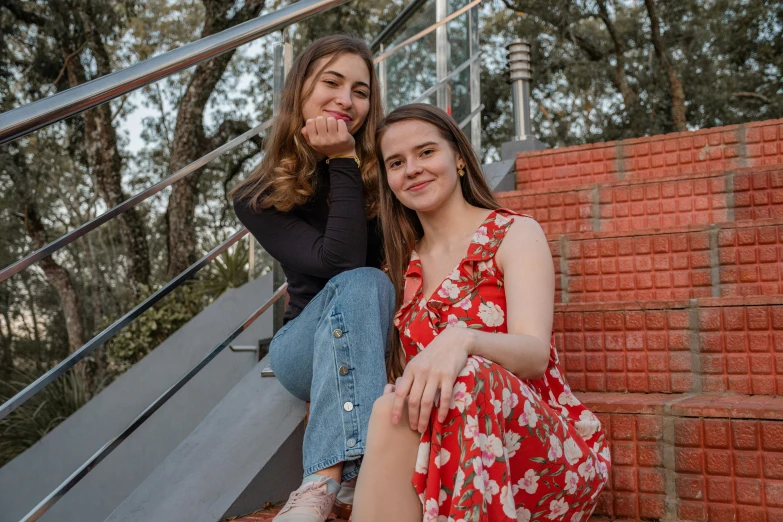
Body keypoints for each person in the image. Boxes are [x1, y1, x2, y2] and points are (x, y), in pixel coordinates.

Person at [352, 104, 610, 522]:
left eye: (426, 152)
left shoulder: (513, 233)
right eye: (396, 163)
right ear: (388, 180)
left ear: (457, 156)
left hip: (542, 455)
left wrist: (463, 338)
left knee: (467, 375)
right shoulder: (399, 270)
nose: (412, 169)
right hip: (441, 451)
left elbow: (533, 354)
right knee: (390, 406)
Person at [231, 35, 394, 522]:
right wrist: (341, 160)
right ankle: (326, 479)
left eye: (361, 91)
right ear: (300, 91)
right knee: (364, 281)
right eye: (332, 82)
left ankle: (342, 483)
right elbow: (339, 264)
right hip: (304, 346)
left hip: (382, 339)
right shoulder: (258, 195)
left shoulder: (388, 173)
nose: (347, 99)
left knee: (372, 287)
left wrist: (354, 163)